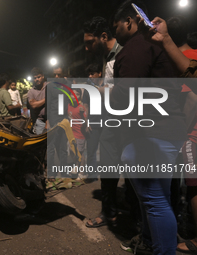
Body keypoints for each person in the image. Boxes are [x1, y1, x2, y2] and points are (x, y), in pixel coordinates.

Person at [111, 1, 187, 254]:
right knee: (157, 199)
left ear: (130, 22)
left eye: (116, 26)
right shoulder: (155, 45)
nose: (114, 33)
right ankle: (149, 243)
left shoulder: (135, 48)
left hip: (149, 136)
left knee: (155, 202)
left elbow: (125, 94)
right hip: (166, 133)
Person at [83, 16, 123, 228]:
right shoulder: (106, 58)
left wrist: (97, 90)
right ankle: (109, 213)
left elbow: (125, 91)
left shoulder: (123, 54)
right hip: (110, 123)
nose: (88, 48)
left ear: (104, 36)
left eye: (90, 42)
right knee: (108, 171)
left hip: (126, 124)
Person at [167, 16, 197, 253]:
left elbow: (190, 101)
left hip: (191, 133)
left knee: (193, 184)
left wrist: (183, 133)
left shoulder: (181, 61)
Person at [27, 67, 47, 135]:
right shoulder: (31, 91)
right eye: (34, 78)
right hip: (39, 121)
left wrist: (38, 102)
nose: (37, 79)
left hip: (53, 120)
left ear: (43, 76)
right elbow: (34, 105)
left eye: (39, 77)